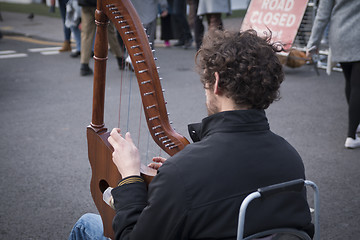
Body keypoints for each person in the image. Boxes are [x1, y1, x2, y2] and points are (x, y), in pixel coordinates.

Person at [69, 29, 314, 239]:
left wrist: (131, 176)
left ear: (216, 82)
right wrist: (170, 185)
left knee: (86, 224)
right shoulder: (290, 158)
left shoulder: (184, 173)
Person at [306, 0, 360, 149]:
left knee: (349, 81)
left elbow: (322, 15)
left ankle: (355, 124)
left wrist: (313, 43)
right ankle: (351, 135)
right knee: (357, 86)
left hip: (339, 35)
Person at [78, 0, 125, 76]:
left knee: (86, 34)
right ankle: (120, 59)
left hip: (86, 3)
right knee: (110, 32)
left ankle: (84, 64)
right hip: (103, 4)